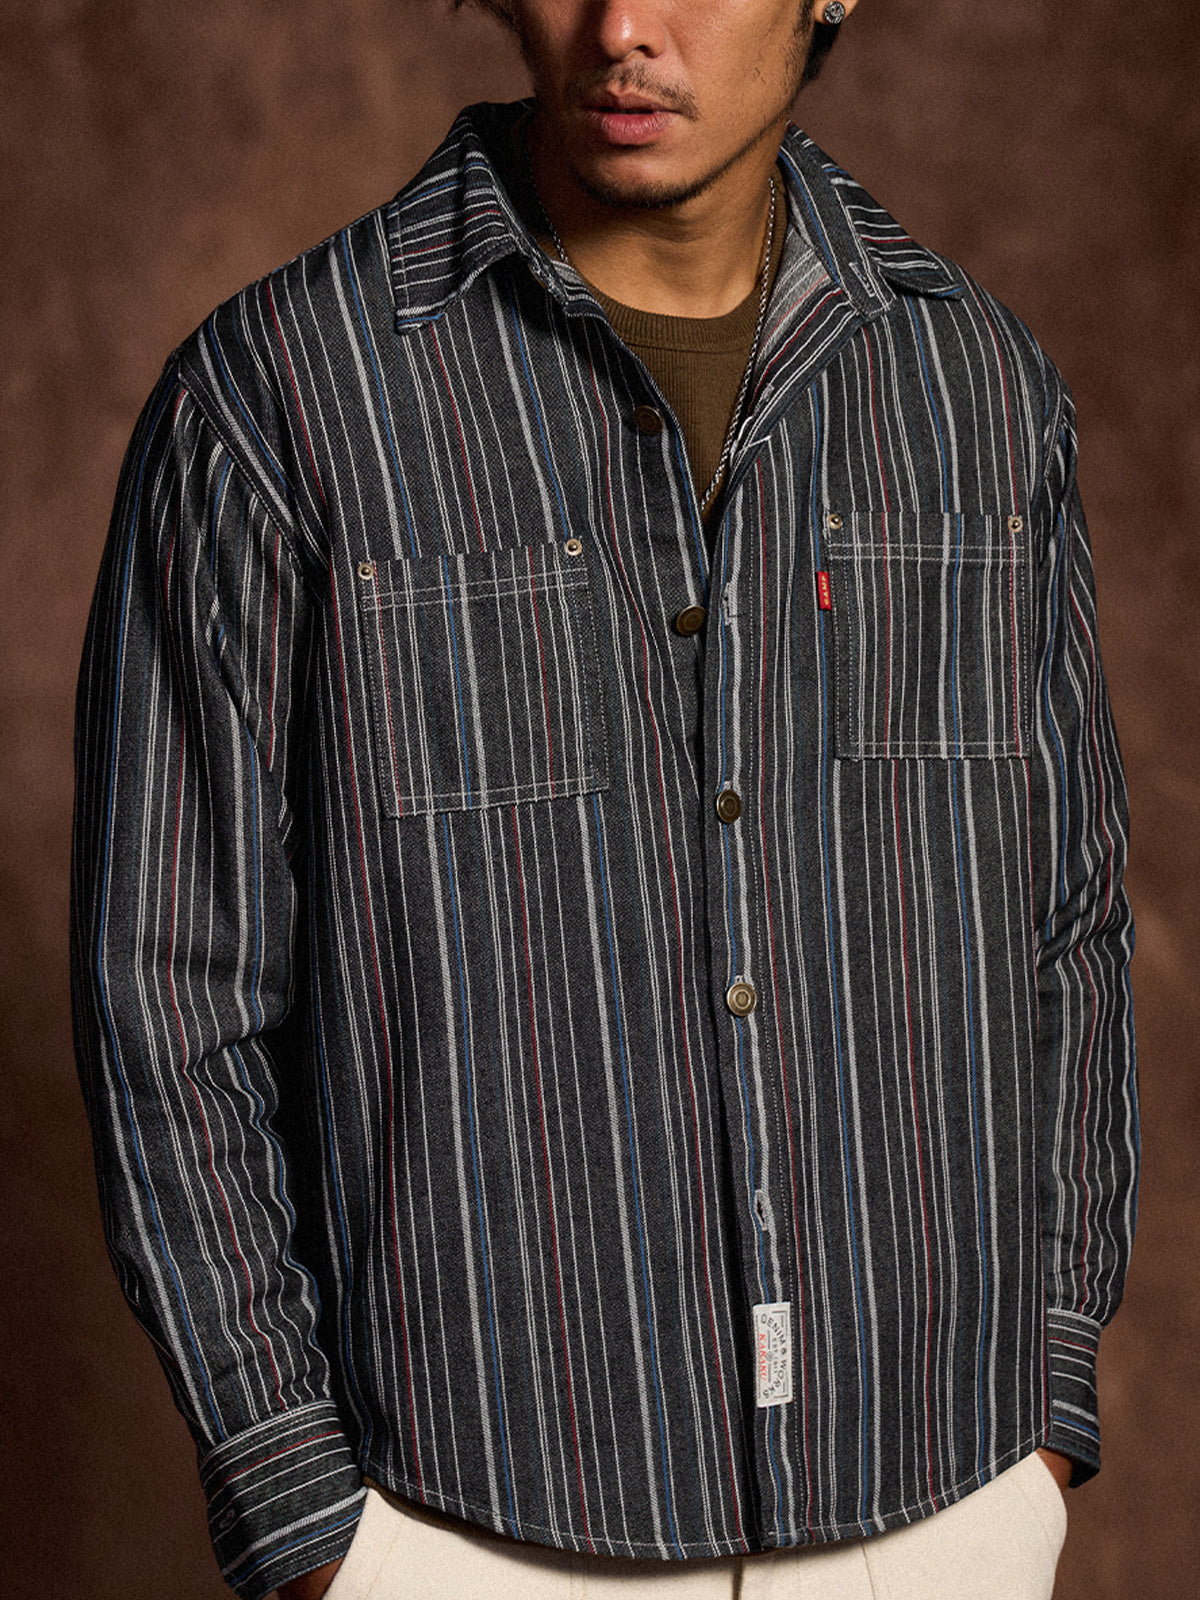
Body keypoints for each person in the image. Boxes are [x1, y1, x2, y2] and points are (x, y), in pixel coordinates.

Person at [71, 2, 1137, 1598]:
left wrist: (1042, 1400)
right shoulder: (280, 402)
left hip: (942, 1494)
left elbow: (1067, 919)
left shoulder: (976, 390)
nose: (625, 26)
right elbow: (167, 995)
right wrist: (305, 1513)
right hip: (470, 1526)